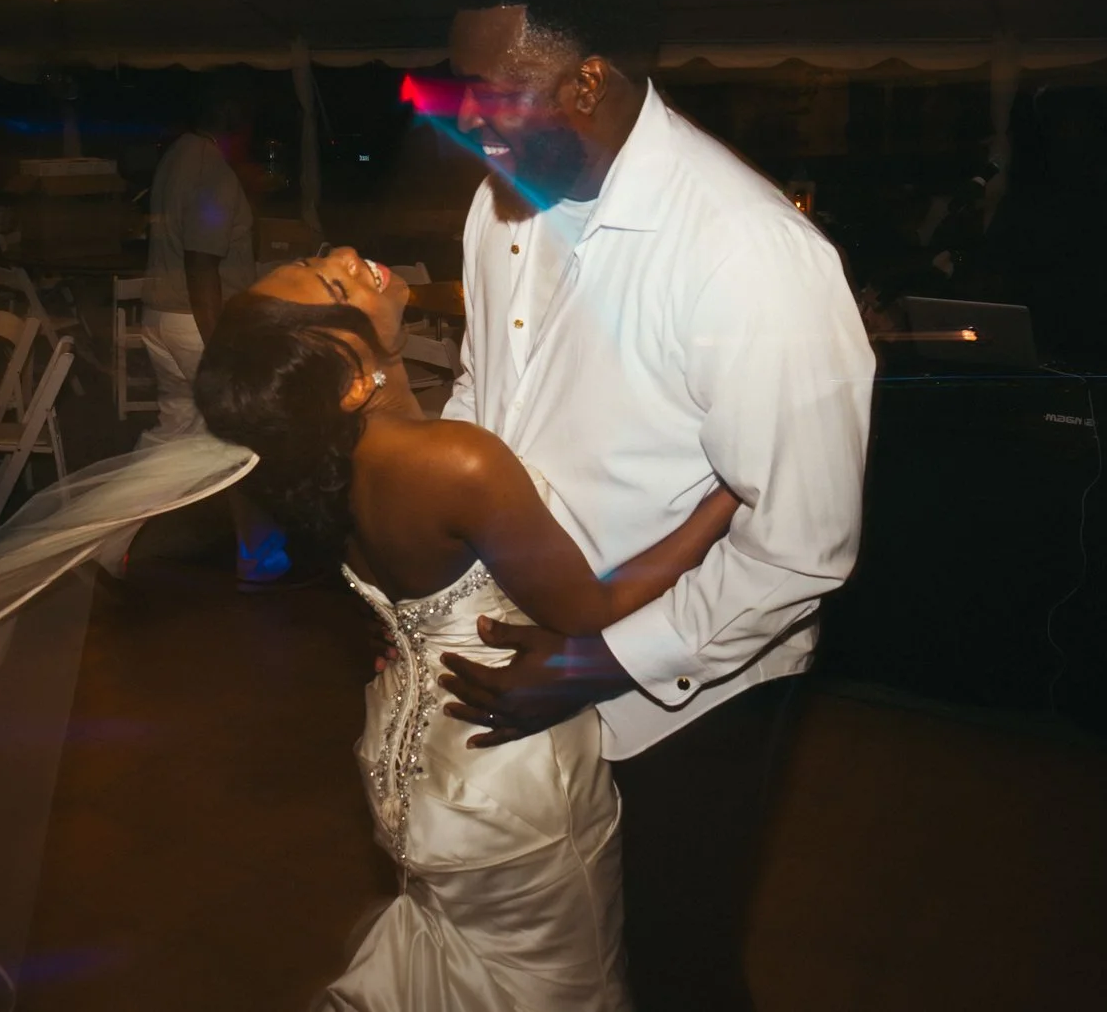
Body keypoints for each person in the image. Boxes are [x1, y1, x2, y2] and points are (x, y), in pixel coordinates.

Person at [430, 0, 874, 1011]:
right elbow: (482, 395)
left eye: (496, 94)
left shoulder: (748, 253)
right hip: (534, 643)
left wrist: (598, 659)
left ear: (589, 81)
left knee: (675, 958)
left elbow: (802, 547)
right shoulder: (498, 210)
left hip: (690, 690)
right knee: (565, 946)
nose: (469, 122)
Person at [195, 251, 742, 1011]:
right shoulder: (455, 461)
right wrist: (723, 503)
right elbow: (585, 611)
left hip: (406, 760)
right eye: (334, 285)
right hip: (502, 776)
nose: (348, 258)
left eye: (319, 259)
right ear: (354, 381)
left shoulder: (329, 466)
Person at [141, 81, 284, 586]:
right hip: (195, 322)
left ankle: (114, 536)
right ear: (232, 123)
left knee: (172, 433)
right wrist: (220, 342)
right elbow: (202, 264)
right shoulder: (213, 173)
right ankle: (259, 559)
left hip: (159, 315)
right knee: (246, 439)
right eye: (245, 127)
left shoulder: (177, 154)